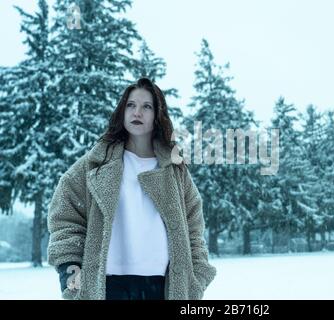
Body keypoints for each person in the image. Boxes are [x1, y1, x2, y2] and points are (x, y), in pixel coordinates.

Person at [47, 77, 216, 300]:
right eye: (131, 105)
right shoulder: (93, 166)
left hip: (164, 288)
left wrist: (196, 280)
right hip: (107, 288)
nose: (137, 112)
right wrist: (69, 268)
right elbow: (65, 218)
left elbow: (194, 231)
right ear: (122, 112)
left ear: (158, 116)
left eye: (147, 106)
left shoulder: (175, 171)